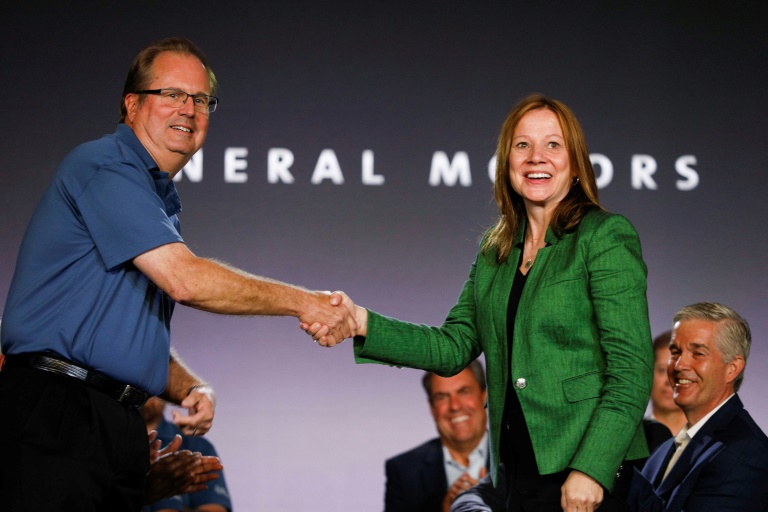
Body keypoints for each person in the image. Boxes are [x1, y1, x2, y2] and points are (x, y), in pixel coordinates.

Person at [0, 37, 354, 511]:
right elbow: (183, 280)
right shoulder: (104, 165)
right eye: (170, 94)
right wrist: (306, 302)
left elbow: (120, 332)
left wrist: (190, 386)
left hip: (112, 424)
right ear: (132, 105)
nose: (188, 109)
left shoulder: (158, 199)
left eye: (200, 99)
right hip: (58, 414)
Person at [306, 93, 654, 511]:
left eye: (552, 145)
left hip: (584, 481)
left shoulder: (604, 236)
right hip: (517, 476)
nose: (535, 157)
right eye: (522, 145)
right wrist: (361, 321)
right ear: (506, 163)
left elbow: (631, 370)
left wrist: (593, 469)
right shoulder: (496, 251)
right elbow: (452, 347)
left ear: (575, 163)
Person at [627, 302, 768, 511]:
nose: (679, 365)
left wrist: (616, 467)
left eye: (698, 353)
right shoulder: (666, 449)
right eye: (675, 352)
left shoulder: (747, 453)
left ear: (732, 368)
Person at [385, 360, 489, 512]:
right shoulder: (404, 470)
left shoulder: (523, 459)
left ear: (484, 397)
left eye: (464, 391)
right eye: (442, 397)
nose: (455, 406)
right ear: (432, 409)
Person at [142, 397, 231, 512]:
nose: (146, 389)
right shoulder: (112, 443)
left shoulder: (197, 447)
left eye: (154, 379)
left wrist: (167, 505)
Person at [647, 331, 687, 436]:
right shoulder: (629, 439)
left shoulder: (715, 442)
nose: (669, 381)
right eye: (662, 370)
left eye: (678, 371)